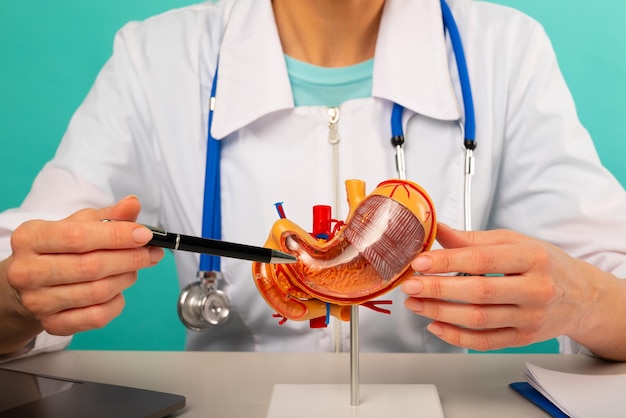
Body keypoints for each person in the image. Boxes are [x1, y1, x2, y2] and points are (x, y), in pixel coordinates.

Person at [1, 0, 626, 362]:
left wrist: (589, 300)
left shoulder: (503, 51)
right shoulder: (156, 57)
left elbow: (614, 281)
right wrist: (22, 294)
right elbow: (21, 261)